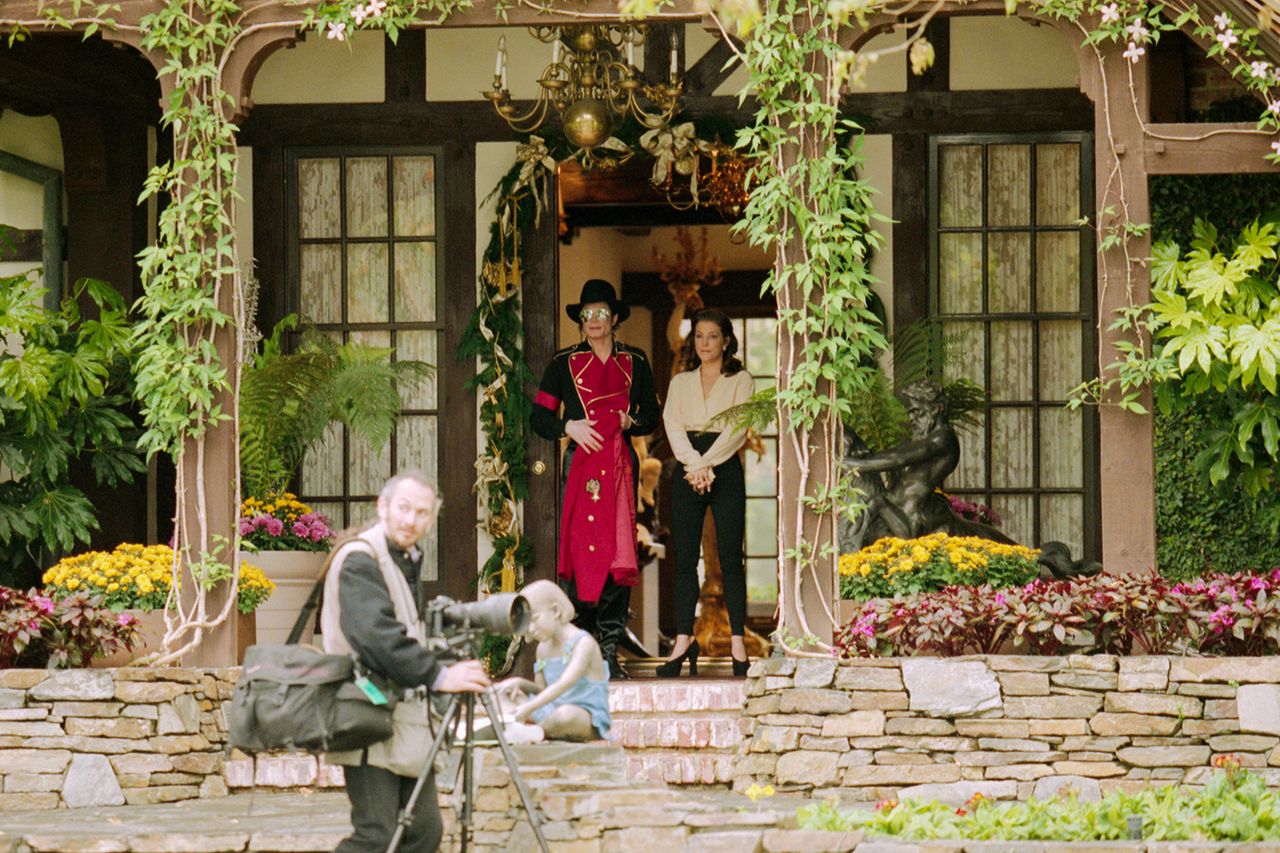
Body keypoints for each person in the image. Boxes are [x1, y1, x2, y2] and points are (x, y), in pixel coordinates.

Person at [320, 470, 490, 853]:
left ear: (431, 520)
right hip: (367, 712)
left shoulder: (401, 558)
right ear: (382, 506)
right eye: (404, 508)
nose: (411, 520)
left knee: (422, 833)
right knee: (377, 835)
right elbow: (376, 638)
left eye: (422, 513)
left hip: (402, 719)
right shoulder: (360, 559)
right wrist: (439, 674)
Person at [530, 279, 660, 680]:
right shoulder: (563, 363)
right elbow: (539, 417)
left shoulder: (635, 362)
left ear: (615, 317)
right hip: (582, 465)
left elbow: (652, 418)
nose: (593, 321)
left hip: (621, 467)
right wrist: (567, 425)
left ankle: (608, 652)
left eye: (601, 313)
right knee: (583, 552)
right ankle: (579, 651)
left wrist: (630, 420)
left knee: (618, 554)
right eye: (586, 314)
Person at [657, 308, 755, 678]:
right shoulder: (682, 382)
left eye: (712, 336)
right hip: (689, 469)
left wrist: (706, 464)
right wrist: (693, 464)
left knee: (731, 558)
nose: (704, 343)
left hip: (724, 468)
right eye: (698, 336)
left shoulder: (741, 379)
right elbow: (672, 424)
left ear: (726, 340)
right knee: (685, 560)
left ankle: (737, 641)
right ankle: (684, 639)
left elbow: (737, 429)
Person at [494, 579, 611, 741]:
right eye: (527, 624)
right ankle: (524, 730)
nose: (531, 629)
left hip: (582, 717)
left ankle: (532, 732)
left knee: (565, 715)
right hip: (550, 710)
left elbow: (565, 683)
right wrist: (520, 683)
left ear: (555, 611)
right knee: (500, 694)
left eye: (535, 619)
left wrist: (528, 708)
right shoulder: (543, 648)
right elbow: (541, 690)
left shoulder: (583, 644)